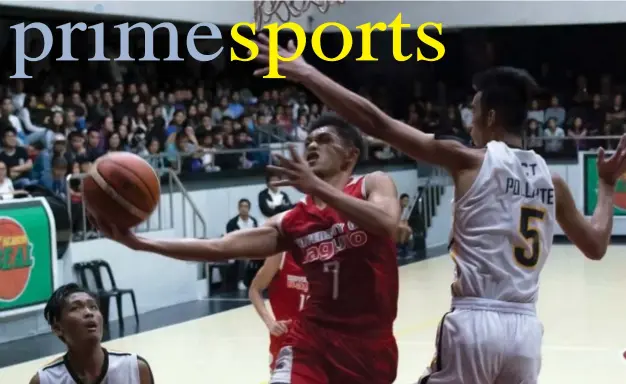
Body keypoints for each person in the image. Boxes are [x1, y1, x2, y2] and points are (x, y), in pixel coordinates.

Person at [249, 36, 626, 383]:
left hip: (474, 321)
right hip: (526, 332)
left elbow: (377, 122)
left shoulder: (468, 160)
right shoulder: (551, 180)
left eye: (472, 113)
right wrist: (606, 185)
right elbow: (595, 246)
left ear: (489, 116)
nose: (468, 124)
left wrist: (306, 73)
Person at [92, 113, 401, 383]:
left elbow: (386, 223)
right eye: (309, 141)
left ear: (350, 154)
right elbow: (219, 246)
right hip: (312, 343)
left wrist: (318, 187)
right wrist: (141, 242)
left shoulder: (372, 184)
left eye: (323, 139)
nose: (311, 146)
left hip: (371, 347)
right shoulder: (292, 221)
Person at [29, 283, 154, 384]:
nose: (89, 313)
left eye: (93, 307)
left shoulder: (135, 368)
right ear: (57, 328)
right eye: (75, 308)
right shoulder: (44, 380)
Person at [248, 251, 308, 372]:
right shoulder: (281, 254)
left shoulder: (330, 255)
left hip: (319, 342)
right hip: (286, 341)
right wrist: (270, 322)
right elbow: (254, 289)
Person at [225, 198, 259, 290]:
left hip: (251, 247)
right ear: (238, 208)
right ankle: (242, 280)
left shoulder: (253, 221)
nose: (244, 209)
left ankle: (260, 280)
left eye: (246, 206)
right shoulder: (232, 223)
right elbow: (230, 239)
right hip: (236, 248)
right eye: (242, 206)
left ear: (249, 208)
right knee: (244, 256)